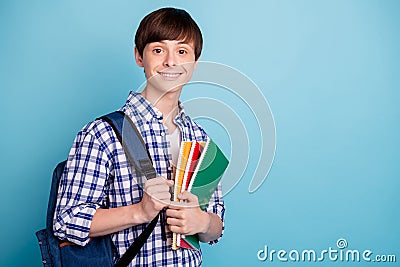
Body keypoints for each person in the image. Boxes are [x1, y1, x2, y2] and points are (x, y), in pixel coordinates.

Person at [53, 7, 225, 266]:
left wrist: (202, 222)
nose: (171, 61)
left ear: (194, 62)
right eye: (158, 50)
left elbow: (216, 226)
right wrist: (139, 212)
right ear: (139, 56)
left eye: (182, 51)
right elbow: (66, 222)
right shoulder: (103, 134)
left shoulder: (201, 139)